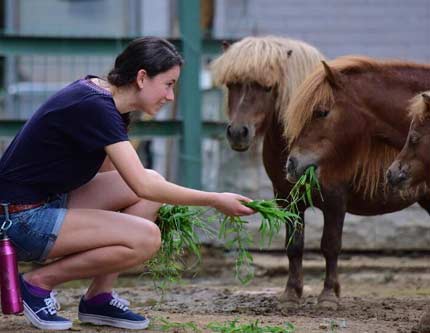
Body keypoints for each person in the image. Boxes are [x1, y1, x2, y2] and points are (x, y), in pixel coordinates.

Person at [0, 36, 255, 331]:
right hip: (19, 220)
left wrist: (109, 227)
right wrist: (215, 199)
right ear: (142, 78)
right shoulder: (96, 108)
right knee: (146, 237)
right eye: (169, 84)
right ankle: (36, 285)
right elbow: (141, 187)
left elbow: (131, 181)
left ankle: (98, 298)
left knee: (151, 179)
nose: (171, 96)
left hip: (42, 203)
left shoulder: (104, 99)